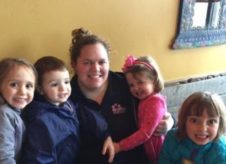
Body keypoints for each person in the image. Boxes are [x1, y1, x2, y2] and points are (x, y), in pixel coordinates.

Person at [69, 27, 174, 164]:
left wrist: (170, 122)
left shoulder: (127, 84)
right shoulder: (65, 97)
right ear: (74, 65)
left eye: (102, 62)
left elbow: (157, 106)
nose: (95, 69)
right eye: (87, 63)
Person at [21, 56, 114, 163]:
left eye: (66, 82)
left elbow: (88, 116)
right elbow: (40, 157)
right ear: (41, 89)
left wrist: (105, 135)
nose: (63, 88)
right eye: (54, 84)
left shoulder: (68, 103)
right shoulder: (41, 120)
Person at [111, 55, 167, 163]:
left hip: (158, 152)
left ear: (154, 80)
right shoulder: (144, 99)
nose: (135, 88)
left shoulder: (155, 101)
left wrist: (120, 146)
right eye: (131, 85)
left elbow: (145, 133)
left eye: (140, 82)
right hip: (147, 151)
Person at [158, 91, 226, 164]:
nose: (202, 128)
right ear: (184, 120)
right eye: (194, 120)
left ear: (220, 124)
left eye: (211, 122)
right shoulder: (172, 138)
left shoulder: (223, 155)